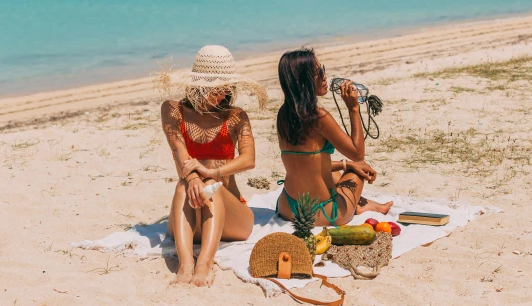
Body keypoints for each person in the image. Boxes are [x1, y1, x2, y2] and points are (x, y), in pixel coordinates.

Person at [157, 45, 267, 286]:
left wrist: (210, 172)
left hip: (232, 220)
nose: (221, 93)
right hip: (187, 221)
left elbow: (249, 159)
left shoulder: (236, 116)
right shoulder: (172, 110)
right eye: (214, 87)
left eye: (225, 87)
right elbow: (179, 150)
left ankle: (204, 264)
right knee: (182, 186)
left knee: (211, 184)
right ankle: (185, 265)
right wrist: (194, 178)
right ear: (198, 84)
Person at [276, 48, 392, 226]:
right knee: (359, 170)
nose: (324, 76)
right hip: (322, 212)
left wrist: (346, 164)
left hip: (288, 208)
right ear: (304, 81)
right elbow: (357, 153)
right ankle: (358, 206)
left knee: (339, 172)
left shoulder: (284, 115)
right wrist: (353, 109)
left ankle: (361, 204)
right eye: (319, 72)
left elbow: (308, 163)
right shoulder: (318, 116)